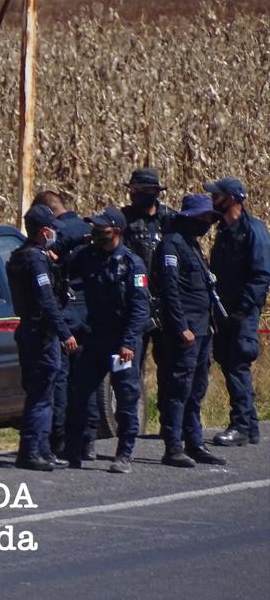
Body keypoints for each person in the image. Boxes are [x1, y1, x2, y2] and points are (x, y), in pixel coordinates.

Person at [65, 207, 150, 473]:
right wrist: (78, 239)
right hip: (96, 336)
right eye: (95, 229)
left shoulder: (131, 264)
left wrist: (128, 343)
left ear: (117, 232)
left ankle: (124, 453)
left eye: (103, 229)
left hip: (122, 339)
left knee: (125, 397)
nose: (97, 233)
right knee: (80, 392)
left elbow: (139, 308)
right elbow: (60, 259)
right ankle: (76, 449)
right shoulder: (88, 257)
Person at [151, 194, 227, 467]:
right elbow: (169, 290)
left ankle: (195, 443)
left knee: (197, 388)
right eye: (204, 218)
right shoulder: (172, 245)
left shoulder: (192, 245)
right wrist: (181, 327)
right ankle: (173, 446)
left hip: (202, 328)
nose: (208, 223)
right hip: (185, 330)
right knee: (178, 388)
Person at [6, 205, 78, 471]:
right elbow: (46, 300)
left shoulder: (22, 254)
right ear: (44, 231)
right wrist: (65, 332)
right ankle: (31, 450)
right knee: (41, 393)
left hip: (32, 331)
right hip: (41, 333)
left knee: (43, 392)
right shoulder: (35, 259)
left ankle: (42, 448)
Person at [204, 178, 270, 447]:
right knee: (228, 361)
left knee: (238, 362)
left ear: (230, 199)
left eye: (216, 195)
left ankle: (240, 425)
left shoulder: (253, 230)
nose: (212, 200)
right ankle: (251, 425)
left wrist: (242, 311)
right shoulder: (224, 231)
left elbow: (261, 274)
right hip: (223, 310)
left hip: (242, 312)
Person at [34, 190, 93, 458]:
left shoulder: (53, 234)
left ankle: (59, 441)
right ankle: (87, 440)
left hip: (66, 311)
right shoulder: (88, 228)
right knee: (87, 379)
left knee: (61, 380)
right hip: (89, 312)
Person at [121, 168, 176, 426]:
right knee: (131, 368)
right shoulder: (123, 220)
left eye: (141, 192)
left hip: (166, 304)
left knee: (169, 367)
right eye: (133, 191)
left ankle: (169, 423)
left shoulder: (169, 220)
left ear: (154, 193)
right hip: (135, 304)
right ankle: (129, 424)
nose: (135, 196)